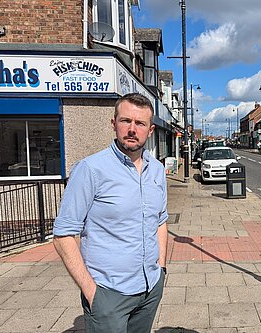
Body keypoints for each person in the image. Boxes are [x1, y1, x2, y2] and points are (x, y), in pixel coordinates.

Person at [53, 93, 168, 333]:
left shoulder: (156, 170)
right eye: (126, 121)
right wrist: (92, 293)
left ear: (150, 130)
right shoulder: (91, 169)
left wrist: (162, 269)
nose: (132, 129)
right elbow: (63, 235)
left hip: (150, 288)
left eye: (140, 123)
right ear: (113, 123)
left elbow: (160, 221)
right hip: (109, 294)